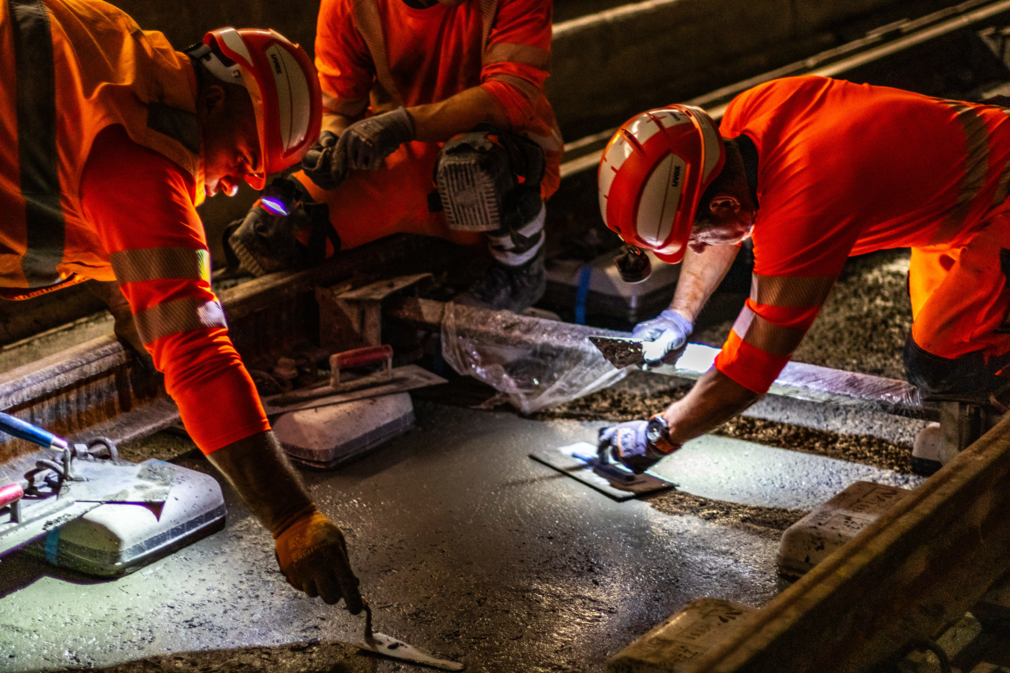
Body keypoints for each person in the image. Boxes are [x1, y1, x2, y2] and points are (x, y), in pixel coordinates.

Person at [1, 0, 362, 612]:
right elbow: (196, 351)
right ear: (215, 101)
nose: (238, 184)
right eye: (246, 157)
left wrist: (125, 299)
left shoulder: (115, 49)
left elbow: (61, 163)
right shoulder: (144, 159)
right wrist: (292, 516)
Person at [594, 75, 1010, 473]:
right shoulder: (746, 120)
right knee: (951, 344)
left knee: (947, 359)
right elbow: (724, 227)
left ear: (723, 206)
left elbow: (748, 370)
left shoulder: (805, 205)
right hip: (966, 206)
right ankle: (978, 426)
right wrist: (679, 316)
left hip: (1000, 202)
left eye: (695, 237)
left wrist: (659, 434)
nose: (699, 249)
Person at [227, 0, 563, 313]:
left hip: (497, 153)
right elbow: (339, 106)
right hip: (403, 160)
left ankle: (519, 269)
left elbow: (511, 97)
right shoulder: (349, 5)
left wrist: (404, 124)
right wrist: (331, 141)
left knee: (469, 166)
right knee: (275, 229)